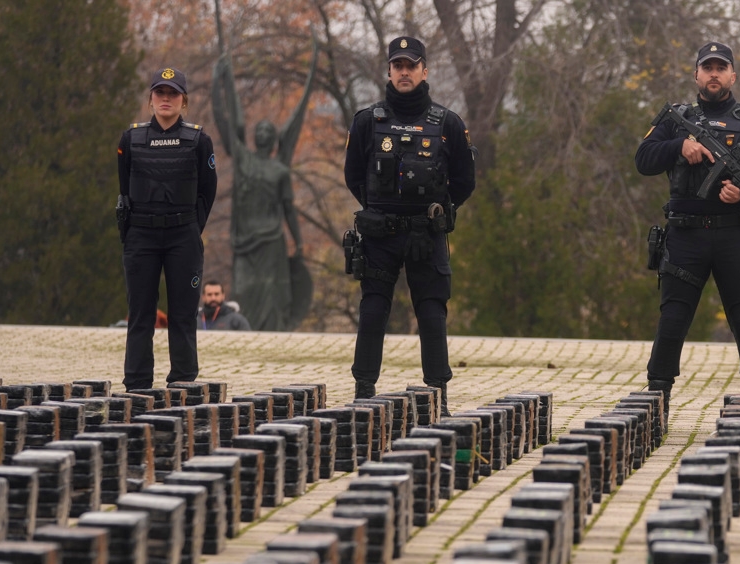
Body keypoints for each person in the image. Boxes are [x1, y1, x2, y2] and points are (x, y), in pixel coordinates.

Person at [636, 41, 740, 437]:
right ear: (697, 75)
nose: (714, 74)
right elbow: (643, 159)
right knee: (673, 319)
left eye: (722, 68)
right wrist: (679, 147)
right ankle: (656, 403)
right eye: (708, 68)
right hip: (685, 236)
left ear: (733, 75)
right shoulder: (677, 119)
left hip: (734, 235)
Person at [343, 35, 475, 412]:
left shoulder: (447, 122)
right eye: (398, 66)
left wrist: (436, 215)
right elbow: (353, 175)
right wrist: (377, 212)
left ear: (424, 70)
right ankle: (363, 392)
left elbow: (465, 181)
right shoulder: (368, 121)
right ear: (388, 70)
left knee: (432, 313)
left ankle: (438, 396)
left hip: (425, 234)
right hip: (379, 235)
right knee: (372, 311)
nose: (404, 72)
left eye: (411, 66)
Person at [117, 67, 217, 392]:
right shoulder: (130, 139)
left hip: (182, 237)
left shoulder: (199, 140)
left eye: (172, 93)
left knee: (183, 315)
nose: (165, 99)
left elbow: (207, 191)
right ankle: (137, 384)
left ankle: (183, 382)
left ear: (183, 100)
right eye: (160, 92)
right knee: (141, 313)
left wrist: (189, 228)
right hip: (141, 236)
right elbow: (124, 189)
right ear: (151, 98)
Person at [212, 45, 318, 331]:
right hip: (245, 240)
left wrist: (299, 241)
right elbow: (224, 121)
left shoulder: (279, 170)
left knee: (274, 297)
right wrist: (216, 81)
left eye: (268, 132)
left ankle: (276, 337)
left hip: (272, 240)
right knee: (244, 291)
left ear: (274, 141)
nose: (262, 133)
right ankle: (244, 333)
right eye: (258, 130)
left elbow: (288, 209)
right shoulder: (242, 158)